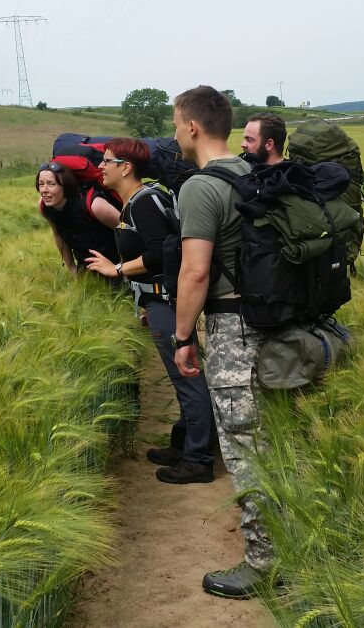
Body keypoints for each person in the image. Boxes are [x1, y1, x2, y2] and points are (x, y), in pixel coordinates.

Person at [170, 85, 272, 599]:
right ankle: (294, 545)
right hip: (275, 327)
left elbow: (195, 272)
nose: (175, 134)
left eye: (175, 125)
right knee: (275, 442)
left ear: (192, 127)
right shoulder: (256, 173)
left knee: (244, 450)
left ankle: (264, 563)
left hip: (233, 331)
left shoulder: (200, 187)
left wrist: (183, 336)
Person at [82, 138, 218, 485]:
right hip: (156, 301)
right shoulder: (136, 202)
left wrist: (117, 269)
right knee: (183, 376)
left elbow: (158, 255)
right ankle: (185, 444)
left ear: (126, 167)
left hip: (166, 302)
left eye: (107, 161)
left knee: (187, 377)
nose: (100, 167)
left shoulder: (144, 202)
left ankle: (199, 460)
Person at [36, 161, 121, 273]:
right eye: (41, 184)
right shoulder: (45, 207)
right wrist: (72, 268)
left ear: (65, 186)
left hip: (117, 266)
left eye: (51, 184)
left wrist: (120, 268)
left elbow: (129, 231)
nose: (44, 190)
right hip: (86, 269)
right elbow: (58, 235)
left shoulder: (95, 205)